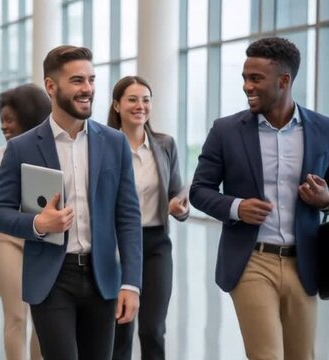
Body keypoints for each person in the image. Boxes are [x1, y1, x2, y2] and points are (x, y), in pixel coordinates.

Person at [0, 45, 143, 360]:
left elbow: (128, 217)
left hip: (102, 279)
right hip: (52, 278)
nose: (87, 89)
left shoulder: (114, 143)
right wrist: (37, 224)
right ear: (51, 86)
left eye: (91, 79)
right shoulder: (21, 148)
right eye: (77, 81)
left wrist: (131, 283)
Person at [190, 37, 329, 360]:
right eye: (245, 77)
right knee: (266, 356)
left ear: (284, 81)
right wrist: (236, 207)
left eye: (255, 78)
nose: (247, 86)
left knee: (302, 355)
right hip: (251, 261)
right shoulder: (225, 131)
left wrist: (327, 198)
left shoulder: (326, 129)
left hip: (305, 262)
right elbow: (199, 191)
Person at [107, 76, 189, 360]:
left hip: (155, 244)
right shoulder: (104, 147)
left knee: (153, 329)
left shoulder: (165, 145)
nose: (140, 105)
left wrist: (181, 208)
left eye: (145, 99)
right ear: (117, 105)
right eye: (132, 99)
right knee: (120, 326)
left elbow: (176, 191)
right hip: (115, 246)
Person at [0, 84, 51, 360]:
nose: (4, 126)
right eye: (2, 119)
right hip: (5, 237)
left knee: (44, 316)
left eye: (9, 119)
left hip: (44, 238)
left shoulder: (53, 152)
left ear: (28, 117)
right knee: (16, 315)